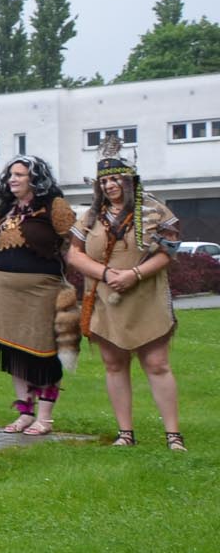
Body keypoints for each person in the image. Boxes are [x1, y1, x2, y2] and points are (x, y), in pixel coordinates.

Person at [67, 136, 185, 450]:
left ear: (130, 180)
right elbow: (74, 254)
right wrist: (106, 275)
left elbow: (169, 250)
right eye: (104, 181)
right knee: (114, 364)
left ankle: (173, 436)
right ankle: (125, 434)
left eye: (116, 178)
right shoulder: (90, 216)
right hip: (106, 298)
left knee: (157, 363)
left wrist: (134, 274)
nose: (109, 186)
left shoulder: (154, 209)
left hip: (147, 295)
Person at [0, 154, 77, 436]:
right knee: (15, 352)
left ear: (35, 178)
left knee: (42, 352)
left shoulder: (54, 206)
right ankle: (25, 412)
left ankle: (45, 417)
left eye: (20, 174)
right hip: (5, 290)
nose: (13, 179)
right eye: (11, 174)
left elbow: (76, 239)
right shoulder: (6, 209)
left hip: (41, 291)